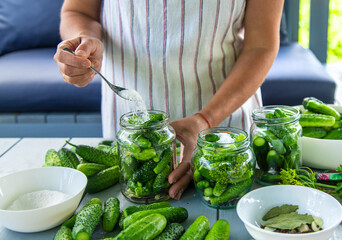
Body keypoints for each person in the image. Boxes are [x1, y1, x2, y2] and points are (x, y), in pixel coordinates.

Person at [54, 0, 284, 200]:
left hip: (225, 137)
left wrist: (205, 120)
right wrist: (84, 41)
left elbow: (261, 45)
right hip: (130, 140)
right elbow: (78, 11)